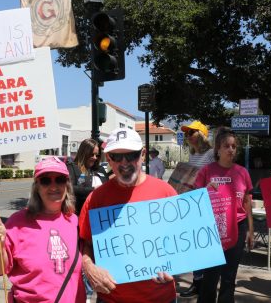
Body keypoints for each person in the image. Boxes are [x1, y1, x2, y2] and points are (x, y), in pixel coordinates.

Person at [79, 127, 177, 303]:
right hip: (111, 299)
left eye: (131, 155)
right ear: (108, 158)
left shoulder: (166, 192)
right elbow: (87, 244)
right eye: (116, 156)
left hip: (161, 298)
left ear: (143, 154)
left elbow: (183, 241)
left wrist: (175, 266)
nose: (124, 162)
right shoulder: (96, 198)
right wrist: (88, 267)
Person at [0, 157, 86, 302]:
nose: (53, 186)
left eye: (59, 180)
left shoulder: (74, 221)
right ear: (37, 187)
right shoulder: (17, 222)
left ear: (67, 185)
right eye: (46, 180)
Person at [194, 127, 254, 303]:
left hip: (238, 227)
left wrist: (250, 230)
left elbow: (247, 201)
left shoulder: (242, 172)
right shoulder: (206, 171)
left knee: (229, 278)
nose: (231, 150)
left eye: (234, 146)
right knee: (210, 278)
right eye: (226, 146)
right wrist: (205, 191)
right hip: (213, 229)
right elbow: (195, 199)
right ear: (218, 149)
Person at [179, 120, 215, 297]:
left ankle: (205, 285)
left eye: (191, 133)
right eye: (186, 134)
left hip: (207, 205)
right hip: (193, 203)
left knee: (205, 245)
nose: (188, 136)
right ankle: (197, 282)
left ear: (201, 134)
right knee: (195, 245)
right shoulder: (193, 155)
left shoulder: (210, 154)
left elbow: (215, 179)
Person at [67, 138, 108, 215]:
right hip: (81, 213)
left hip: (102, 214)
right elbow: (70, 188)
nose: (95, 157)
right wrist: (93, 190)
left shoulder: (100, 169)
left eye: (97, 155)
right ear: (84, 153)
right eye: (92, 154)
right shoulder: (72, 167)